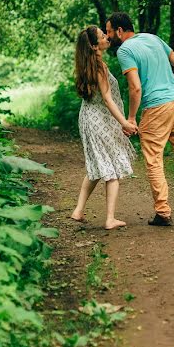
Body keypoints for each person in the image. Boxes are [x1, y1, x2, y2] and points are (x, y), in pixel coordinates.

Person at [106, 12, 174, 226]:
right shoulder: (153, 38)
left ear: (120, 30)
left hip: (156, 107)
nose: (108, 36)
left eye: (109, 31)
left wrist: (131, 118)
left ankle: (163, 212)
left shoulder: (125, 50)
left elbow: (135, 87)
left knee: (154, 159)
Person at [70, 25, 137, 230]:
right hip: (99, 120)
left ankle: (78, 211)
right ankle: (110, 219)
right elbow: (108, 100)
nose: (107, 37)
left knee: (97, 165)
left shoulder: (88, 65)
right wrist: (124, 122)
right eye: (101, 36)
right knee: (113, 167)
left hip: (90, 118)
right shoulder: (99, 67)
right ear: (93, 45)